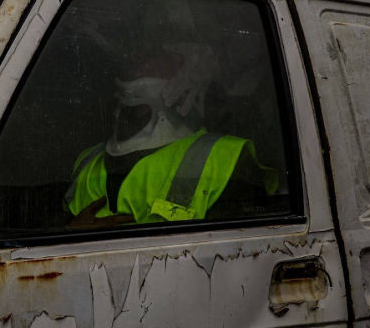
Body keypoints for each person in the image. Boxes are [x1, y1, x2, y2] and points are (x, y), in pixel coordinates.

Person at [65, 46, 278, 229]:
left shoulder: (226, 161)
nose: (135, 55)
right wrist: (69, 233)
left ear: (185, 76)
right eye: (135, 50)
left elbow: (241, 253)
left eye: (155, 52)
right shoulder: (87, 161)